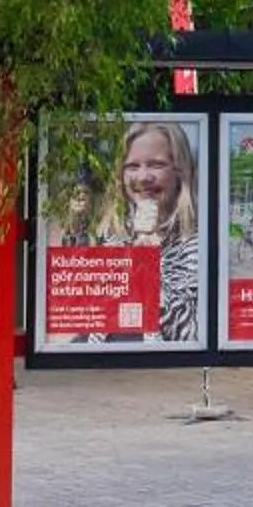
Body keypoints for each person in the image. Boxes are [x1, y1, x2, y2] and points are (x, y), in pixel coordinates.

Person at [95, 120, 202, 341]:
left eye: (156, 164)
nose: (143, 177)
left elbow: (187, 333)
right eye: (132, 166)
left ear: (180, 171)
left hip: (162, 372)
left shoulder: (197, 243)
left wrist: (146, 259)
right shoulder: (110, 235)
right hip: (103, 368)